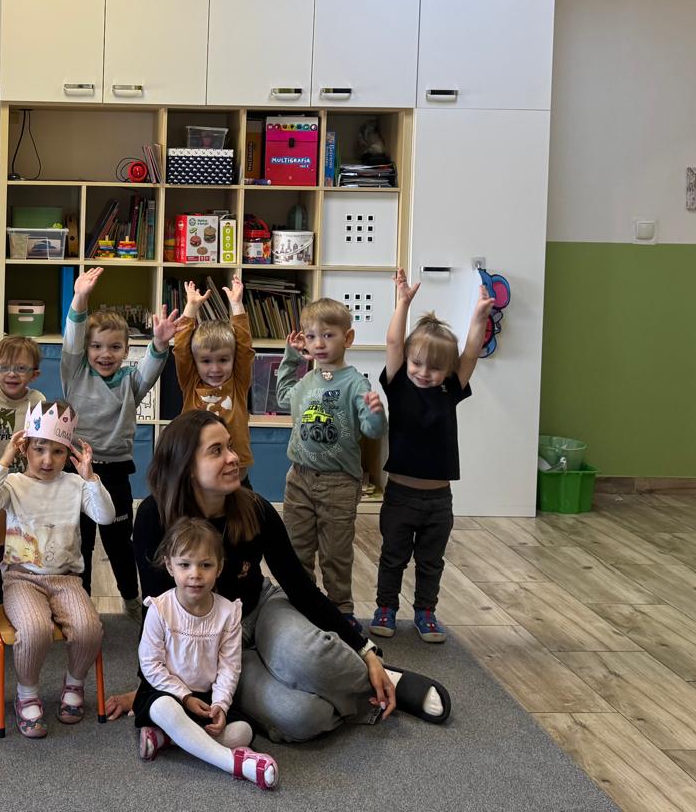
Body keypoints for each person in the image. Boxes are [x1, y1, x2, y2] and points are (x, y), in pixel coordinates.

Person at [109, 410, 450, 740]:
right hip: (207, 641)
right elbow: (159, 612)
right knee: (302, 716)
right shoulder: (154, 517)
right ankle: (357, 694)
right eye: (216, 451)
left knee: (308, 657)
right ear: (185, 466)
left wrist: (365, 650)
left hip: (258, 609)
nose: (233, 458)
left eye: (230, 446)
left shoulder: (254, 507)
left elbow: (301, 588)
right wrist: (151, 691)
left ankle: (387, 678)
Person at [0, 402, 114, 738]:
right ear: (25, 449)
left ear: (68, 454)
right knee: (35, 630)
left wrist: (90, 478)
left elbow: (106, 516)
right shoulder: (14, 484)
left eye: (57, 452)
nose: (47, 460)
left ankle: (74, 683)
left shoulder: (74, 485)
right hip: (21, 578)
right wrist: (5, 460)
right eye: (39, 450)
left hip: (66, 579)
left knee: (89, 628)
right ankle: (26, 694)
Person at [370, 269, 493, 645]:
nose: (424, 373)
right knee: (393, 556)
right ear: (408, 360)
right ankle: (386, 608)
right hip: (400, 495)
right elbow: (394, 341)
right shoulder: (398, 385)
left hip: (438, 500)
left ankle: (426, 611)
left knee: (430, 560)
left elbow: (471, 352)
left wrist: (478, 317)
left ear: (448, 371)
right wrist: (403, 303)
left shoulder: (449, 390)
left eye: (435, 368)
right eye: (417, 363)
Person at [60, 266, 180, 619]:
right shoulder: (75, 373)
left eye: (115, 347)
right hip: (75, 471)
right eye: (96, 346)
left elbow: (151, 370)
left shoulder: (130, 382)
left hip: (114, 474)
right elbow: (72, 341)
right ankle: (80, 605)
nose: (105, 354)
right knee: (79, 543)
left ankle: (130, 598)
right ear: (86, 349)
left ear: (127, 350)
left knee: (118, 544)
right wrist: (80, 299)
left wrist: (160, 343)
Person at [135, 518, 278, 791]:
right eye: (184, 565)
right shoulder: (159, 609)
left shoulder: (228, 612)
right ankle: (235, 764)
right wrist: (185, 697)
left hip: (207, 698)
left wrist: (221, 704)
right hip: (167, 693)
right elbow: (151, 665)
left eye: (206, 565)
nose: (195, 574)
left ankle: (169, 739)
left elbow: (229, 667)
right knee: (164, 708)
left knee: (243, 732)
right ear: (169, 566)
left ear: (219, 567)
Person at [276, 298, 386, 624]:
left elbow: (372, 430)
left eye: (328, 335)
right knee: (296, 548)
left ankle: (341, 610)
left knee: (335, 553)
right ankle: (303, 604)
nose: (319, 344)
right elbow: (282, 397)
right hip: (299, 478)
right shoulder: (308, 380)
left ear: (347, 338)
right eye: (311, 337)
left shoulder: (356, 383)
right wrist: (291, 357)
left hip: (339, 482)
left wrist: (376, 414)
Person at [0, 334, 47, 610]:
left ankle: (25, 602)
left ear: (34, 374)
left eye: (20, 368)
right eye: (4, 367)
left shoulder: (38, 401)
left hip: (28, 487)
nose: (12, 374)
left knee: (27, 547)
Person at [175, 277, 255, 478]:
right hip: (195, 463)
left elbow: (245, 348)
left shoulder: (238, 383)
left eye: (223, 360)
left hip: (235, 466)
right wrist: (191, 308)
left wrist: (237, 306)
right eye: (206, 361)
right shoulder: (191, 382)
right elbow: (181, 350)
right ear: (195, 361)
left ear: (233, 359)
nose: (215, 369)